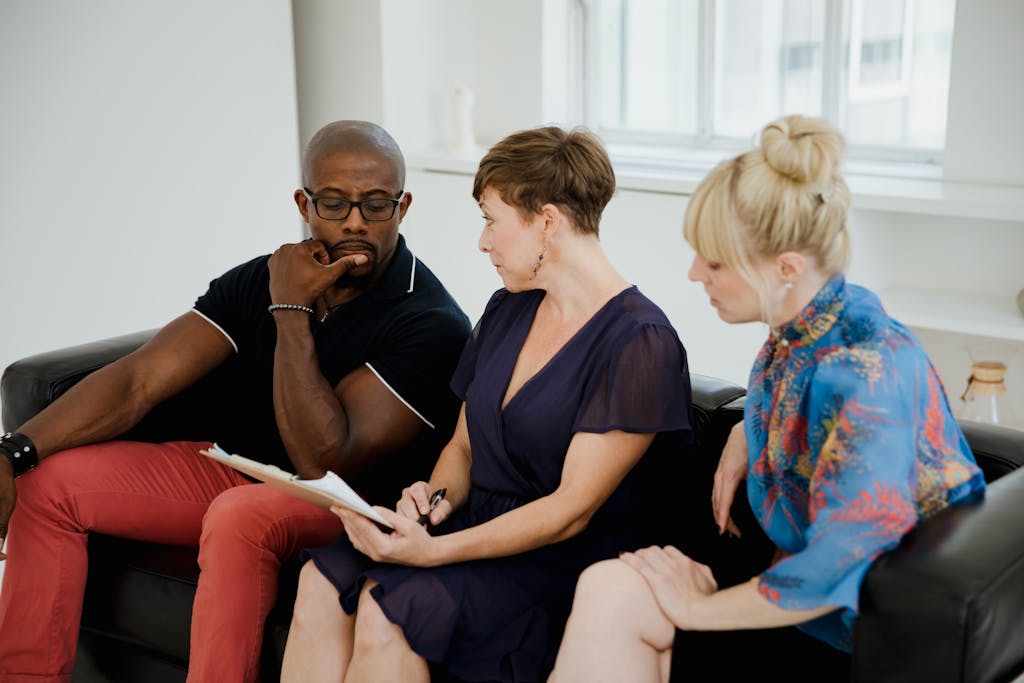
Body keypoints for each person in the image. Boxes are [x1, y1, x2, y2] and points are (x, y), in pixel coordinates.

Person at [0, 120, 472, 683]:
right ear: (304, 201)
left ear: (402, 206)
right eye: (333, 202)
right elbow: (140, 378)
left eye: (376, 205)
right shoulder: (263, 278)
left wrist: (291, 312)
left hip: (348, 501)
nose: (353, 221)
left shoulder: (431, 321)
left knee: (238, 516)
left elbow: (324, 463)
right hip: (236, 468)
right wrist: (14, 450)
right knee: (48, 482)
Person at [548, 115, 986, 683]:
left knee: (626, 602)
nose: (693, 273)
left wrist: (696, 609)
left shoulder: (872, 373)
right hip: (795, 583)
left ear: (786, 268)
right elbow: (798, 389)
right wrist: (745, 429)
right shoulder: (815, 319)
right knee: (608, 584)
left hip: (860, 629)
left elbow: (835, 569)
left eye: (715, 260)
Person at [279, 125, 694, 683]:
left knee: (387, 612)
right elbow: (462, 448)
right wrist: (432, 504)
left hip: (559, 560)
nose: (483, 242)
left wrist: (433, 554)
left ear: (546, 221)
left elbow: (570, 510)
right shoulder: (507, 310)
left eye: (491, 220)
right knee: (321, 581)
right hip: (476, 530)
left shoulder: (640, 341)